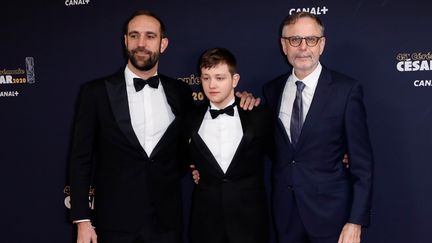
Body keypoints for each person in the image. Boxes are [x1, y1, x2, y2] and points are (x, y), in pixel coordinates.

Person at [69, 10, 258, 243]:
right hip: (114, 223)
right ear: (125, 41)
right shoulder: (96, 92)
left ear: (163, 43)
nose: (141, 43)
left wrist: (244, 100)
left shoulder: (179, 92)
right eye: (134, 35)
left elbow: (191, 143)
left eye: (150, 36)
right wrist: (82, 219)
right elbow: (80, 159)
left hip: (166, 222)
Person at [262, 12, 373, 243]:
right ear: (284, 46)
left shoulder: (346, 91)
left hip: (331, 216)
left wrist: (355, 221)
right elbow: (275, 149)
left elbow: (362, 164)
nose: (303, 47)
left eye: (311, 39)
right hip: (285, 216)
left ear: (321, 44)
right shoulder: (272, 90)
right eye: (294, 40)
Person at [186, 48, 273, 243]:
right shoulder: (190, 119)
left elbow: (284, 155)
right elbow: (177, 157)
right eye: (206, 78)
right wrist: (193, 168)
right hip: (205, 225)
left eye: (219, 77)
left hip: (250, 223)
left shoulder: (259, 115)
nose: (212, 84)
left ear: (234, 80)